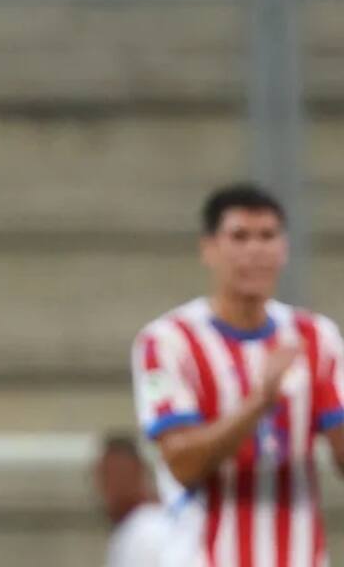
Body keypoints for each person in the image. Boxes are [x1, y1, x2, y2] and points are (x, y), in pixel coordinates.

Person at [132, 184, 344, 567]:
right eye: (239, 236)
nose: (255, 250)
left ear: (285, 249)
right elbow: (183, 463)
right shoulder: (167, 342)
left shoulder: (316, 337)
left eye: (267, 236)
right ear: (209, 248)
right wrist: (259, 402)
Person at [95, 435, 168, 567]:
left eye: (112, 475)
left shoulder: (151, 527)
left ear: (137, 471)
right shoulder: (128, 529)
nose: (106, 487)